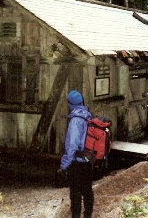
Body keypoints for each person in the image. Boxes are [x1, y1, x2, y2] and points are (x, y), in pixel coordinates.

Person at [59, 90, 93, 218]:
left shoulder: (75, 121)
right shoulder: (88, 116)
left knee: (75, 193)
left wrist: (64, 165)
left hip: (77, 162)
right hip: (87, 159)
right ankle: (88, 215)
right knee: (87, 190)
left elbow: (72, 146)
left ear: (70, 104)